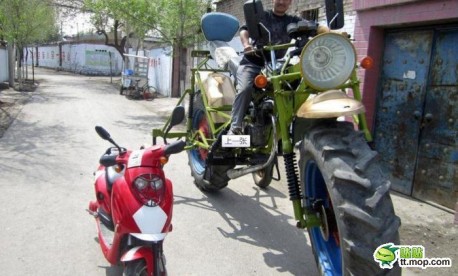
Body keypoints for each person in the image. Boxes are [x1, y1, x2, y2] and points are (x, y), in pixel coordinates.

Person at [228, 0, 301, 135]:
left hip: (276, 64)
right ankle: (235, 127)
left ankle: (288, 123)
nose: (282, 2)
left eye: (286, 0)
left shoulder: (292, 21)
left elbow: (314, 28)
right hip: (253, 62)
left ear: (290, 2)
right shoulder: (262, 16)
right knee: (245, 88)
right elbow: (244, 30)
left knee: (297, 82)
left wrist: (329, 33)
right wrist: (246, 45)